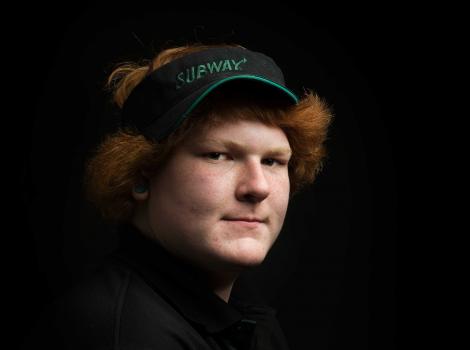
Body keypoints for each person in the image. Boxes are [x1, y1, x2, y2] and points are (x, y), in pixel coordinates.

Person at [23, 43, 333, 350]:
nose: (258, 187)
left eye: (272, 161)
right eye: (218, 155)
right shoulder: (126, 335)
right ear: (142, 176)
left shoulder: (240, 314)